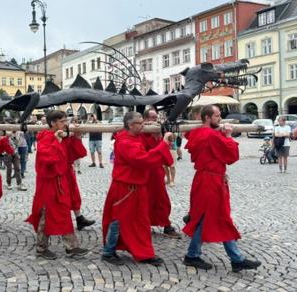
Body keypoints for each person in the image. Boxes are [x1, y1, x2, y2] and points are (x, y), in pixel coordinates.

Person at [182, 105, 261, 273]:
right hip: (210, 181)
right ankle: (231, 258)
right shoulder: (211, 134)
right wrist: (228, 135)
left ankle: (198, 255)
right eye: (217, 116)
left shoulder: (198, 132)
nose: (220, 118)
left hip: (206, 178)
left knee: (211, 217)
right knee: (214, 217)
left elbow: (191, 134)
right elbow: (231, 156)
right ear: (207, 118)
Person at [101, 112, 173, 266]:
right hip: (125, 188)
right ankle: (108, 251)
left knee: (141, 221)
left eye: (143, 122)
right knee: (118, 220)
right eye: (140, 123)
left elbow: (150, 149)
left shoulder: (137, 137)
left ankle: (144, 252)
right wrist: (164, 144)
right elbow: (143, 159)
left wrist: (157, 139)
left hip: (138, 187)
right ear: (130, 125)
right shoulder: (124, 142)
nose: (143, 125)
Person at [26, 110, 89, 260]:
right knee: (46, 215)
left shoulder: (60, 136)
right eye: (62, 121)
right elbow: (50, 159)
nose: (65, 124)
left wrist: (76, 137)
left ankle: (71, 247)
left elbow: (75, 154)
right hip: (48, 183)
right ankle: (41, 248)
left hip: (60, 182)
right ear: (53, 123)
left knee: (63, 213)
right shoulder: (45, 137)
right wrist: (57, 141)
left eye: (66, 121)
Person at [141, 108, 180, 238]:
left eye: (156, 117)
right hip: (146, 172)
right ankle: (145, 225)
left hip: (157, 172)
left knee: (162, 200)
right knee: (146, 200)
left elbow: (163, 153)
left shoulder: (157, 132)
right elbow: (147, 154)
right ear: (145, 119)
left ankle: (166, 225)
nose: (154, 120)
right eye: (152, 117)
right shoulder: (142, 133)